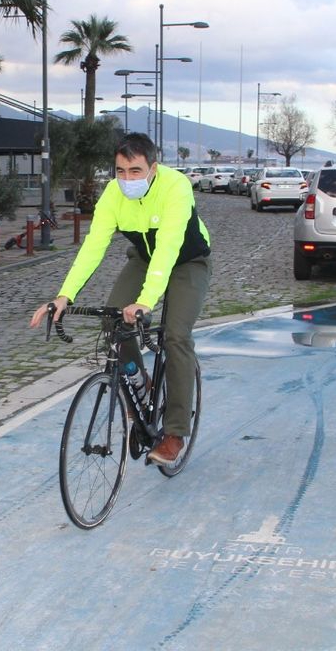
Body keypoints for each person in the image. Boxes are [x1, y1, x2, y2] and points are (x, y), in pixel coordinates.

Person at [28, 133, 211, 466]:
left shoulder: (176, 186)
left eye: (136, 171)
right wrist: (65, 295)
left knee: (175, 336)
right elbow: (93, 247)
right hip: (143, 257)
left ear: (153, 168)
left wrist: (145, 301)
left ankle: (174, 432)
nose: (127, 179)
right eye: (120, 171)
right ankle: (139, 381)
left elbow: (169, 246)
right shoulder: (113, 195)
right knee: (111, 319)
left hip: (188, 261)